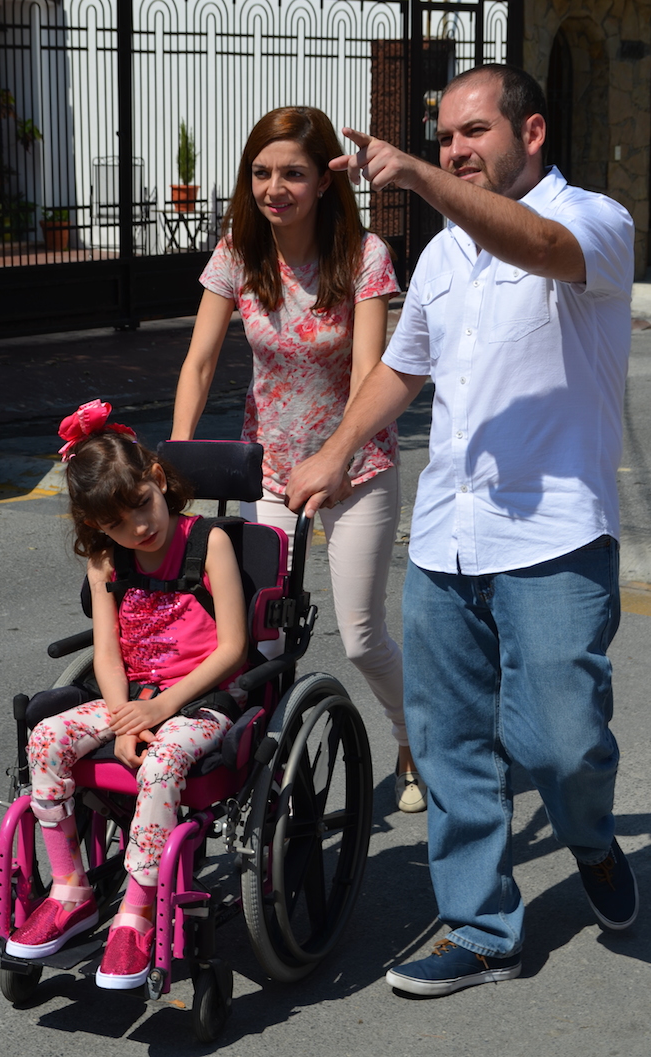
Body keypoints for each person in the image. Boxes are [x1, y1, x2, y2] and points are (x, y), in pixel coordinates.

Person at [285, 64, 639, 996]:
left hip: (556, 539)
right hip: (447, 536)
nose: (454, 151)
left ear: (533, 132)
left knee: (563, 745)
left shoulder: (596, 222)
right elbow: (403, 373)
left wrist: (414, 176)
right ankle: (483, 927)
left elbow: (539, 246)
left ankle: (591, 838)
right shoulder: (443, 258)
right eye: (444, 139)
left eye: (472, 133)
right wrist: (331, 452)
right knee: (449, 742)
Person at [171, 105, 426, 812]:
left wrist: (340, 456)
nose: (273, 187)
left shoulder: (363, 256)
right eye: (261, 172)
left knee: (361, 633)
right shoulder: (237, 253)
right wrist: (179, 458)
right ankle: (269, 764)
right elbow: (199, 363)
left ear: (322, 182)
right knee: (258, 629)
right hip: (272, 472)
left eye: (292, 173)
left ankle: (413, 738)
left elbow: (374, 370)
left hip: (357, 467)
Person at [5, 398, 248, 989]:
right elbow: (107, 653)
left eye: (142, 505)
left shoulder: (208, 541)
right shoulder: (106, 558)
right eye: (116, 523)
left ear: (157, 479)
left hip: (202, 698)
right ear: (95, 528)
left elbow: (234, 650)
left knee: (164, 760)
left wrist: (161, 710)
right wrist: (124, 720)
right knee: (46, 738)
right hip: (132, 698)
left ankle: (137, 910)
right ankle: (71, 889)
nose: (138, 527)